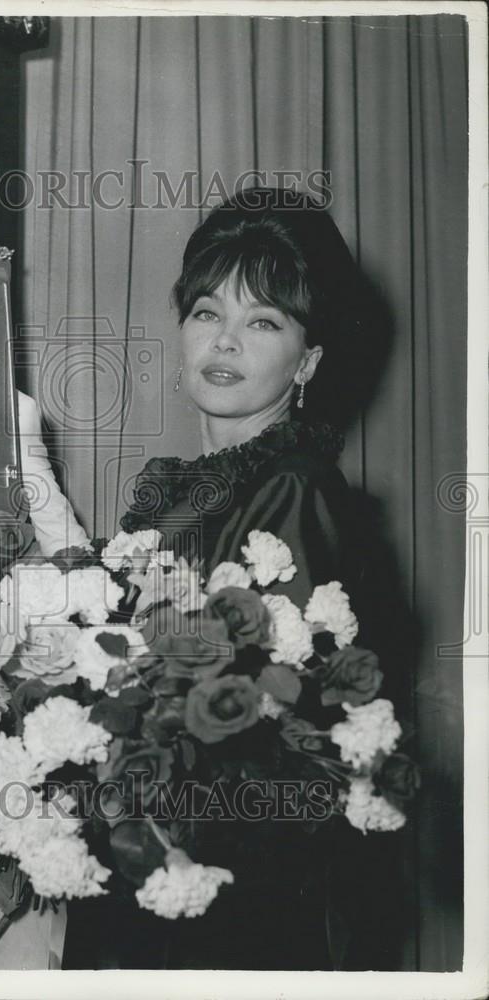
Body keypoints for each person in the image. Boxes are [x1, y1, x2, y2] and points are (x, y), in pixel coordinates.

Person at [63, 187, 409, 971]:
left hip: (227, 873)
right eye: (205, 312)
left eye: (262, 322)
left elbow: (272, 722)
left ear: (308, 361)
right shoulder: (184, 486)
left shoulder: (291, 485)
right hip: (156, 841)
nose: (224, 342)